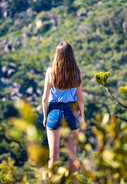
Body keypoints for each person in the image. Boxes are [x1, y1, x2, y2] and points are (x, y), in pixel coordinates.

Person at [42, 41, 85, 184]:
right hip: (71, 113)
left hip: (53, 113)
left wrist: (45, 116)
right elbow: (80, 99)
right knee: (72, 155)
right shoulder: (77, 72)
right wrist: (82, 116)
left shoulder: (50, 71)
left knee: (53, 156)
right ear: (71, 55)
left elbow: (44, 99)